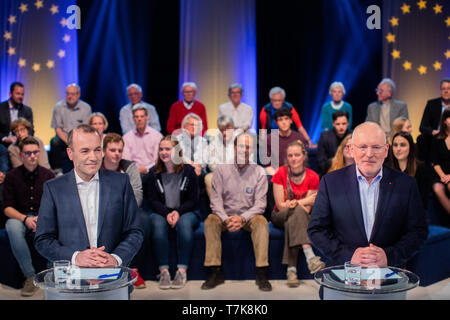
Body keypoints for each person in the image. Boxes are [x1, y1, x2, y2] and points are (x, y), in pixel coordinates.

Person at [308, 122, 428, 269]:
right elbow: (316, 230)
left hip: (388, 277)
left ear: (386, 150)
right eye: (363, 147)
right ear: (352, 149)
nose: (369, 154)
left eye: (376, 147)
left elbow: (418, 231)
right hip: (343, 274)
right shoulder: (330, 182)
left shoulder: (406, 184)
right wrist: (348, 255)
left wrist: (389, 256)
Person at [35, 125, 143, 269]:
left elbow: (135, 231)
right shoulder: (53, 188)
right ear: (70, 153)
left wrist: (116, 258)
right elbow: (43, 239)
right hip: (70, 279)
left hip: (112, 276)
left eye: (97, 150)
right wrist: (75, 257)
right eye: (85, 151)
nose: (93, 157)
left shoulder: (121, 182)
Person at [201, 133, 272, 291]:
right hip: (224, 215)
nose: (244, 150)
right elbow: (216, 201)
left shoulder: (259, 171)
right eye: (241, 146)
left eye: (248, 147)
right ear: (234, 148)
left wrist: (242, 218)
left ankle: (261, 272)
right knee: (210, 221)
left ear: (252, 150)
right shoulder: (221, 170)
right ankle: (215, 272)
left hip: (249, 216)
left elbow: (260, 204)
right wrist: (226, 219)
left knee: (262, 222)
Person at [145, 136, 201, 289]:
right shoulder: (153, 173)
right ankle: (163, 272)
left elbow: (193, 200)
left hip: (187, 211)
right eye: (161, 149)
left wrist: (178, 212)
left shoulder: (189, 171)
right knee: (156, 224)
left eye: (167, 149)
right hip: (162, 212)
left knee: (183, 224)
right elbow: (153, 200)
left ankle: (182, 271)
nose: (164, 152)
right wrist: (166, 213)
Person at [3, 137, 55, 296]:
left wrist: (42, 218)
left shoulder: (49, 175)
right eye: (28, 153)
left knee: (58, 223)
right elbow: (6, 207)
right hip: (21, 217)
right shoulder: (11, 176)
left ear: (39, 153)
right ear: (21, 154)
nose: (32, 156)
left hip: (43, 216)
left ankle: (51, 273)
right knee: (11, 225)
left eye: (35, 152)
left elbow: (55, 205)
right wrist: (25, 219)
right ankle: (30, 276)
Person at [271, 140, 325, 288]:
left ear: (304, 156)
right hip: (279, 215)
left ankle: (291, 270)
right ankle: (310, 255)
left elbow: (307, 210)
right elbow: (281, 206)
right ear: (286, 158)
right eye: (290, 155)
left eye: (297, 155)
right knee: (296, 214)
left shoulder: (313, 176)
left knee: (295, 219)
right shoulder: (280, 173)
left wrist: (295, 203)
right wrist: (304, 201)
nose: (293, 158)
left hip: (299, 216)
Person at [102, 133, 149, 288]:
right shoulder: (96, 167)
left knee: (143, 221)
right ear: (103, 151)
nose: (117, 154)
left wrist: (122, 212)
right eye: (113, 150)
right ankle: (106, 269)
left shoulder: (129, 167)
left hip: (128, 211)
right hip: (103, 210)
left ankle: (133, 269)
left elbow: (137, 194)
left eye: (120, 150)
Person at [49, 83, 92, 173]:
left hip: (80, 137)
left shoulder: (86, 108)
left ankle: (84, 169)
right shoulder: (58, 107)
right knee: (54, 142)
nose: (69, 96)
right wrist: (68, 141)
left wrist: (76, 140)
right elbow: (58, 129)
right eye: (67, 94)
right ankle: (57, 171)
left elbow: (86, 129)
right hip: (64, 138)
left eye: (72, 94)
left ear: (78, 94)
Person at [388, 131, 431, 208]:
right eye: (395, 145)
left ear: (411, 147)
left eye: (403, 145)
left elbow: (422, 201)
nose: (398, 149)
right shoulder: (387, 169)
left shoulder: (421, 169)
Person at [0, 82, 34, 173]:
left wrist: (24, 137)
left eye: (22, 94)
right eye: (18, 93)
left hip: (22, 140)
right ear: (10, 94)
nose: (21, 96)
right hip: (4, 143)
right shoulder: (1, 108)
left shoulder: (27, 110)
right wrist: (5, 139)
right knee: (4, 151)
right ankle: (5, 177)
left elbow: (31, 130)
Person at [264, 108, 308, 176]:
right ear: (276, 122)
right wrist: (279, 176)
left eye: (286, 119)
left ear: (291, 120)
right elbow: (267, 165)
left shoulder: (300, 138)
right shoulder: (269, 139)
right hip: (276, 175)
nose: (284, 122)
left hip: (297, 173)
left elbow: (304, 161)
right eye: (280, 120)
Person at [123, 104, 163, 175]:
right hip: (133, 173)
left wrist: (147, 169)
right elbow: (126, 159)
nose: (139, 119)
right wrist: (136, 169)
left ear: (147, 118)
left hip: (152, 172)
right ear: (133, 119)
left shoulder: (157, 136)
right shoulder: (126, 138)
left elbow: (157, 160)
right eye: (136, 117)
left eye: (142, 116)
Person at [418, 79, 450, 162]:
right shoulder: (432, 104)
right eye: (443, 89)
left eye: (448, 88)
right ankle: (424, 167)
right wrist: (434, 132)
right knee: (421, 138)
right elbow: (422, 127)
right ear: (440, 91)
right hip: (436, 135)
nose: (446, 91)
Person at [205, 115, 236, 197]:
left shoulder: (240, 139)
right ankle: (217, 208)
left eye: (227, 129)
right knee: (208, 178)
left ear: (233, 128)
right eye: (222, 130)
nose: (224, 133)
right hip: (219, 173)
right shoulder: (214, 140)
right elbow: (211, 163)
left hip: (237, 173)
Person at [317, 110, 352, 175]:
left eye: (344, 123)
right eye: (338, 124)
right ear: (333, 123)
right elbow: (321, 161)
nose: (341, 127)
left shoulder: (353, 136)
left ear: (348, 123)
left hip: (350, 173)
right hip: (329, 173)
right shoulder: (324, 136)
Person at [174, 113, 209, 178]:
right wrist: (192, 165)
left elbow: (204, 160)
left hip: (199, 170)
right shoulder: (177, 140)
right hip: (182, 169)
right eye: (191, 125)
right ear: (184, 126)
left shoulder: (203, 141)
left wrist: (197, 165)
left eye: (196, 125)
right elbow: (179, 157)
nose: (194, 127)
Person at [430, 108, 450, 215]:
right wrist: (443, 176)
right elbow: (435, 161)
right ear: (445, 120)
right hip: (440, 174)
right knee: (437, 189)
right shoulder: (437, 139)